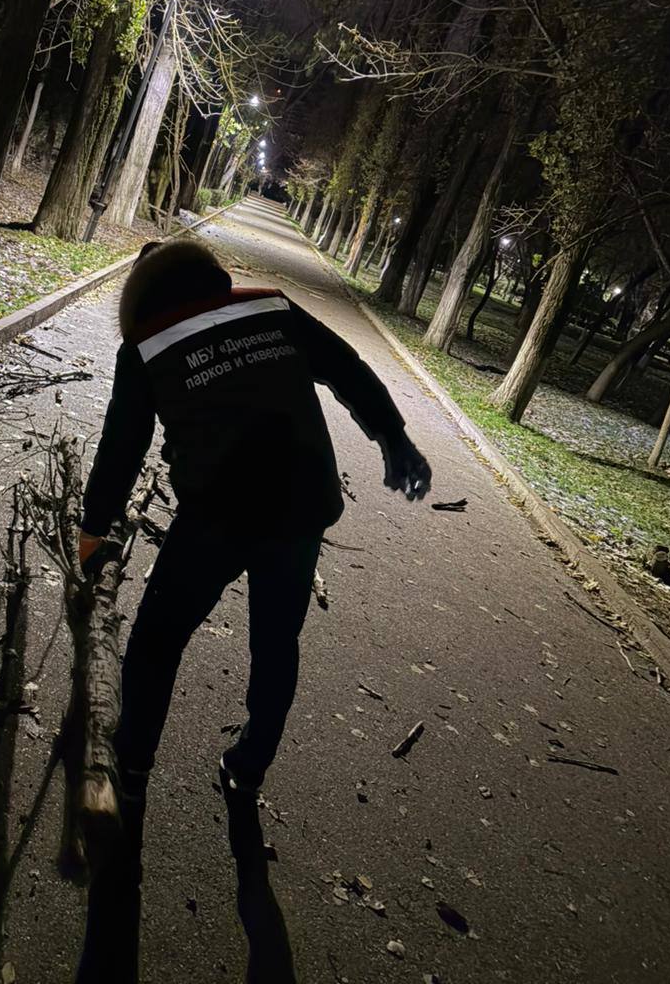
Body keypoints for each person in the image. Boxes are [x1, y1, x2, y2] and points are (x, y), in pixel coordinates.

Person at [78, 237, 431, 804]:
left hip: (217, 514)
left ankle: (133, 763)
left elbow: (122, 447)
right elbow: (346, 368)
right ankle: (250, 764)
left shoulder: (145, 345)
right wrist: (394, 438)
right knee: (276, 643)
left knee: (156, 642)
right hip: (302, 502)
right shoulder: (271, 306)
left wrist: (94, 528)